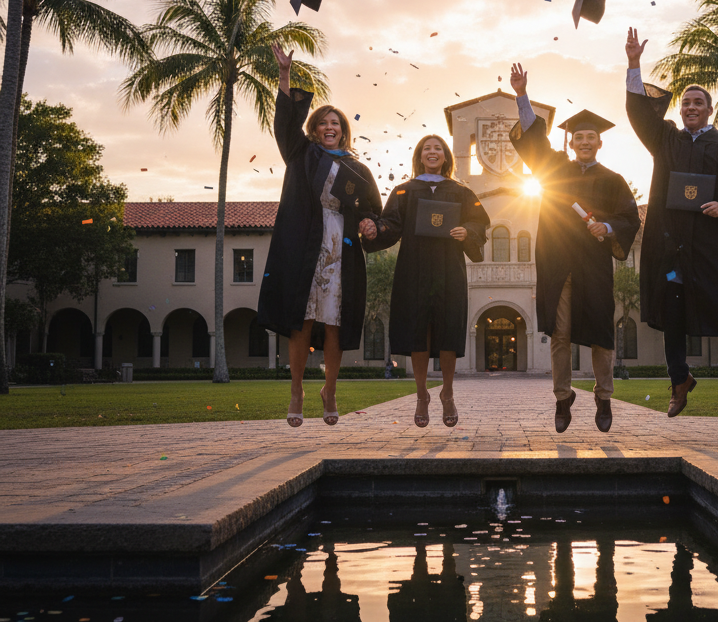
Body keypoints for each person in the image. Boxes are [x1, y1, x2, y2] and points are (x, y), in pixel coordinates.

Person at [623, 27, 718, 421]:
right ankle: (679, 381)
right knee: (672, 317)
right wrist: (634, 64)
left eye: (697, 102)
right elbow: (639, 114)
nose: (689, 107)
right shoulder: (667, 139)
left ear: (710, 109)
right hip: (671, 249)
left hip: (710, 247)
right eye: (685, 102)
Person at [508, 63, 641, 434]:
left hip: (594, 265)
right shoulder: (556, 169)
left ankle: (604, 395)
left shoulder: (613, 180)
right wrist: (522, 95)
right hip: (557, 263)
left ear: (600, 142)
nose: (584, 142)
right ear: (571, 142)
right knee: (560, 332)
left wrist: (608, 225)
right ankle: (563, 397)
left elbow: (630, 218)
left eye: (590, 138)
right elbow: (534, 143)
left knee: (600, 331)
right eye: (578, 137)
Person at [257, 43, 381, 427]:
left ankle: (330, 388)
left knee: (334, 321)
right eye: (324, 123)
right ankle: (297, 390)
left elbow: (373, 209)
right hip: (304, 246)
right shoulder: (301, 154)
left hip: (341, 248)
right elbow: (283, 125)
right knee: (302, 320)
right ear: (314, 129)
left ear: (344, 132)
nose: (330, 128)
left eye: (336, 124)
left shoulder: (358, 169)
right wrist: (284, 76)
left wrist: (369, 223)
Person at [368, 134, 489, 427]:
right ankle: (422, 394)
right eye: (426, 149)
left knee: (448, 331)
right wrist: (374, 228)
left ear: (445, 156)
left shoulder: (461, 191)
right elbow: (391, 225)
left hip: (450, 269)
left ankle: (447, 391)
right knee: (418, 332)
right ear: (420, 156)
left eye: (437, 148)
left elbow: (480, 222)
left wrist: (467, 232)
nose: (432, 152)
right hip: (415, 269)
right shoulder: (403, 191)